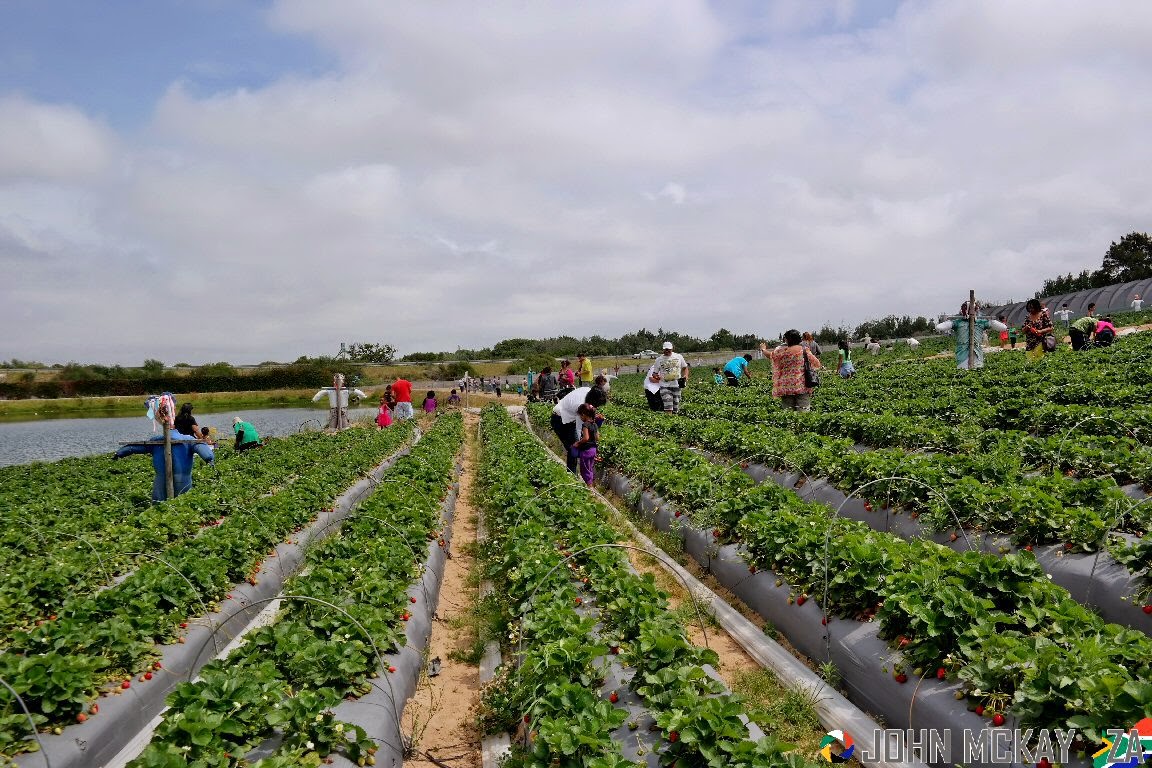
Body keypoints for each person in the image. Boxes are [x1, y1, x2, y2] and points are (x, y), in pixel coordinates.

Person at [115, 433, 215, 501]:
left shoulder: (157, 440)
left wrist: (120, 452)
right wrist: (208, 458)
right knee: (184, 499)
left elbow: (136, 447)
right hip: (182, 478)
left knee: (159, 501)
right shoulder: (188, 439)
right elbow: (200, 446)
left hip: (163, 478)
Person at [551, 385, 608, 473]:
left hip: (569, 418)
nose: (596, 407)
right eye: (596, 405)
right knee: (573, 447)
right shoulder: (580, 406)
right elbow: (579, 429)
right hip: (559, 419)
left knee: (576, 446)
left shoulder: (589, 391)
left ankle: (574, 473)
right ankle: (572, 474)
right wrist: (582, 443)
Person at [935, 302, 1007, 369]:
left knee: (977, 372)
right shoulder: (958, 323)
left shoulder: (980, 323)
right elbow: (939, 327)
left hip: (977, 353)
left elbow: (1003, 328)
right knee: (964, 373)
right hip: (963, 354)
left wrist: (991, 321)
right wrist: (949, 322)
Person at [762, 331, 821, 412]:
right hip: (802, 386)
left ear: (787, 340)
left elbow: (770, 355)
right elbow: (817, 363)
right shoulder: (804, 350)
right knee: (804, 415)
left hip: (786, 388)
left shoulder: (781, 351)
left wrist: (763, 349)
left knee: (789, 415)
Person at [648, 341, 689, 414]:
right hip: (664, 386)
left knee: (675, 408)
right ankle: (668, 423)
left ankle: (673, 422)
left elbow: (685, 368)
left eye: (668, 349)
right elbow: (654, 373)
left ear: (672, 349)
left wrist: (686, 376)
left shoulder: (678, 357)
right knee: (668, 406)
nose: (667, 351)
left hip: (677, 385)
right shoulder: (659, 360)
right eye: (665, 349)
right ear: (663, 349)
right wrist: (656, 377)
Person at [570, 403, 600, 486]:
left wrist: (578, 443)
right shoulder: (595, 424)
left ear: (583, 414)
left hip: (586, 451)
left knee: (585, 470)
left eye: (580, 416)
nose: (580, 417)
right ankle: (591, 485)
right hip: (593, 450)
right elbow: (597, 438)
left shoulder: (585, 425)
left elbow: (586, 438)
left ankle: (590, 488)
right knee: (590, 468)